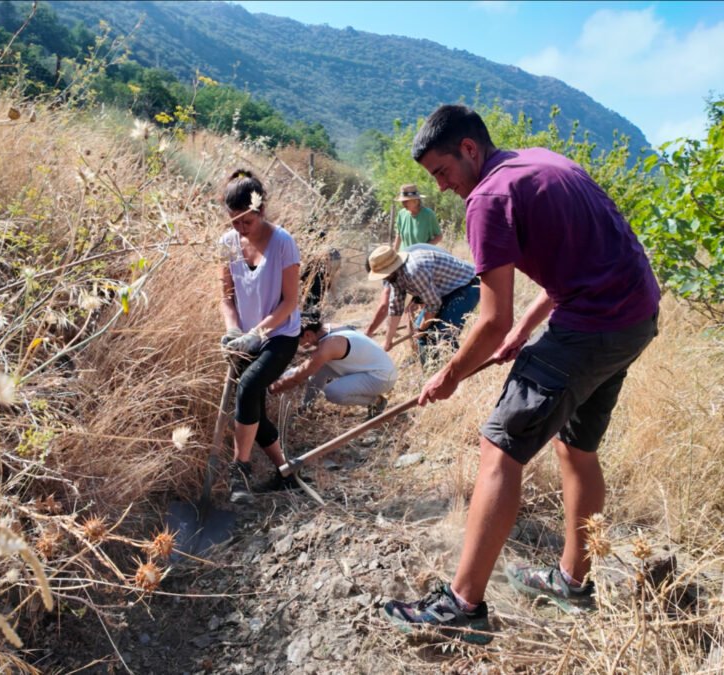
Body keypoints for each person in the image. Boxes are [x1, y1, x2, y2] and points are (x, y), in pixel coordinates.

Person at [381, 105, 660, 643]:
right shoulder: (538, 162)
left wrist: (449, 376)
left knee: (499, 447)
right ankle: (572, 582)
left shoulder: (487, 197)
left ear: (468, 149)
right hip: (634, 316)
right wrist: (522, 332)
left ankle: (463, 605)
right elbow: (570, 271)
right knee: (574, 448)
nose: (441, 188)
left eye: (442, 173)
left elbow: (489, 319)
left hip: (593, 324)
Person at [217, 169, 303, 503]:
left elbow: (290, 301)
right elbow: (226, 297)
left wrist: (257, 333)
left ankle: (241, 469)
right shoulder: (227, 243)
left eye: (246, 222)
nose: (240, 229)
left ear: (261, 211)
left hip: (280, 334)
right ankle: (285, 471)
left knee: (249, 387)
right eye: (233, 222)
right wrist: (233, 330)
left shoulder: (283, 242)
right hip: (244, 337)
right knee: (253, 408)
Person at [367, 244, 480, 367]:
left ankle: (457, 373)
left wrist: (421, 329)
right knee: (423, 338)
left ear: (391, 268)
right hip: (444, 292)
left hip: (466, 287)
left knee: (442, 335)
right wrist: (388, 341)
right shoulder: (395, 276)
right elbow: (395, 308)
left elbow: (433, 304)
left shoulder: (414, 270)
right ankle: (430, 374)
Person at [270, 317, 397, 418]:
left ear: (308, 334)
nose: (295, 344)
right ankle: (306, 407)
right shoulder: (329, 328)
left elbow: (297, 377)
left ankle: (376, 402)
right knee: (318, 368)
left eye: (296, 340)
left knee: (333, 392)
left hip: (381, 378)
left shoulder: (328, 346)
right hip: (374, 368)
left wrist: (271, 390)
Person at [392, 183, 442, 251]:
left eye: (406, 201)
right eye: (402, 201)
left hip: (422, 257)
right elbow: (399, 236)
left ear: (416, 201)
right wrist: (394, 253)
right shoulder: (401, 214)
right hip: (404, 256)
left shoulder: (428, 215)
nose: (403, 203)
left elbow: (439, 236)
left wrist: (424, 248)